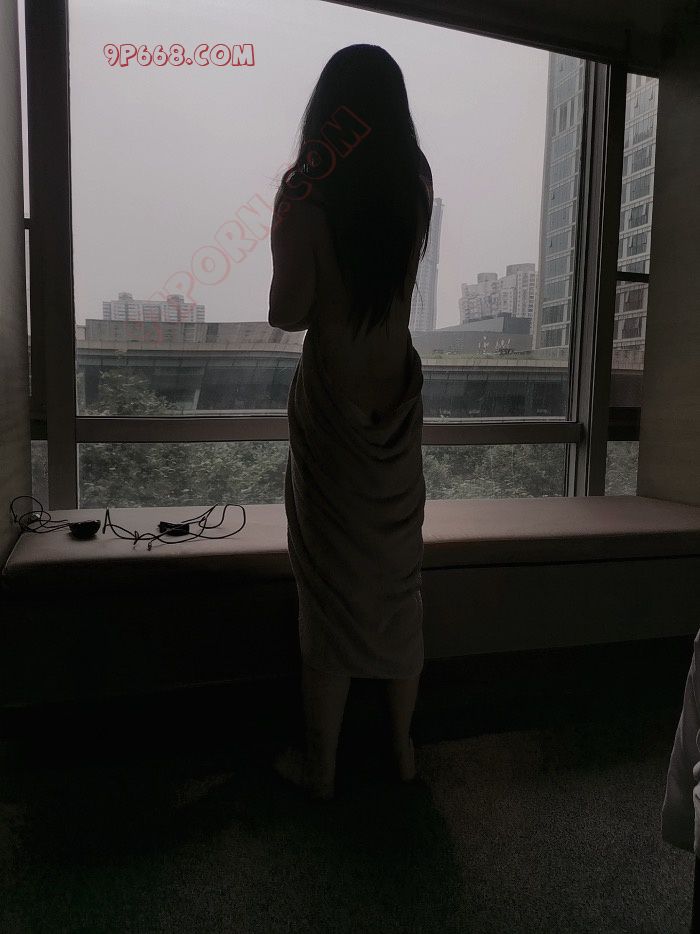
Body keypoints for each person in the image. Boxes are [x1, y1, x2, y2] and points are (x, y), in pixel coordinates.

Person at [268, 44, 433, 801]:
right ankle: (401, 751)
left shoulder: (306, 189)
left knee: (329, 587)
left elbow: (287, 311)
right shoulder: (415, 184)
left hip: (333, 407)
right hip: (398, 399)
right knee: (397, 581)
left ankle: (322, 768)